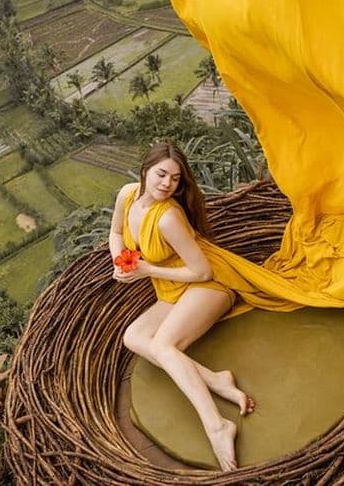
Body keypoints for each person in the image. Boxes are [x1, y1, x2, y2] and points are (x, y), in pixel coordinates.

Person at [109, 142, 256, 472]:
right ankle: (216, 380)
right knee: (132, 337)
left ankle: (217, 425)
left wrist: (147, 270)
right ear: (146, 170)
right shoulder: (127, 195)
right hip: (173, 291)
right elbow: (116, 231)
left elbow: (202, 271)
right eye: (161, 175)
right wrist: (120, 261)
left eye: (175, 179)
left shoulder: (168, 218)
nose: (166, 184)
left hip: (208, 286)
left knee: (163, 345)